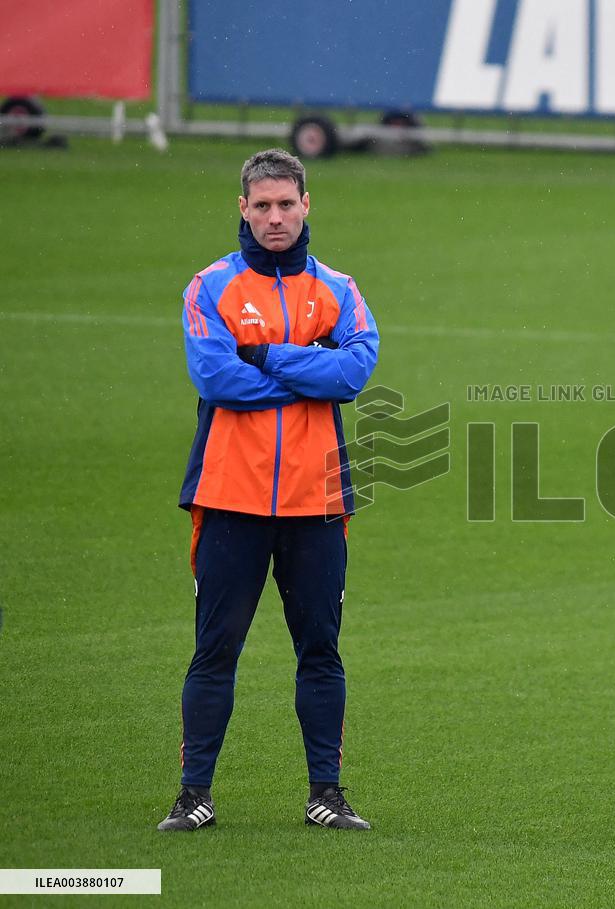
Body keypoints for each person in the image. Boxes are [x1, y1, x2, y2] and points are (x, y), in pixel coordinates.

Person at [158, 148, 379, 832]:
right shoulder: (209, 287)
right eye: (262, 206)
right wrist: (306, 365)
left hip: (316, 501)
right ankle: (194, 793)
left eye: (287, 204)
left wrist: (265, 354)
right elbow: (218, 379)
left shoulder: (338, 288)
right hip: (230, 499)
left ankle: (326, 793)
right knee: (215, 649)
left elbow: (354, 373)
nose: (275, 217)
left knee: (321, 649)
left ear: (307, 204)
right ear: (243, 209)